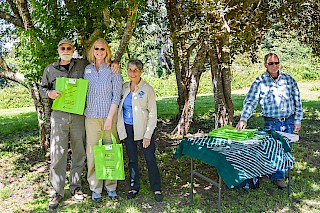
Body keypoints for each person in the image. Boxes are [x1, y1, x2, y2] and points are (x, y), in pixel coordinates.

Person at [40, 38, 119, 209]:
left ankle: (76, 188)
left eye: (69, 47)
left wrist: (115, 63)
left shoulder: (82, 65)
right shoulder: (50, 69)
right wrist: (49, 93)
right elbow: (42, 88)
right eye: (63, 47)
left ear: (73, 50)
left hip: (78, 116)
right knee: (58, 154)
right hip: (59, 115)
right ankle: (57, 191)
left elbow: (102, 60)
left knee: (79, 152)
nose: (66, 50)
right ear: (58, 49)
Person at [236, 53, 303, 189]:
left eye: (276, 63)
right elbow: (250, 101)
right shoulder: (259, 82)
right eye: (271, 63)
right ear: (265, 65)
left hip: (288, 121)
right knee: (270, 149)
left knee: (285, 150)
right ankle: (267, 173)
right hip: (271, 122)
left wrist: (298, 120)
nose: (274, 66)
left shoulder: (289, 80)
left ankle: (278, 177)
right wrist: (244, 118)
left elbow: (298, 101)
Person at [117, 59, 163, 202]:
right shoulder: (124, 87)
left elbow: (152, 114)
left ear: (141, 72)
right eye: (130, 70)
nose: (132, 73)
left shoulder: (147, 89)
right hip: (128, 129)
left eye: (135, 70)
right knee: (132, 160)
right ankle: (134, 187)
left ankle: (156, 188)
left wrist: (148, 134)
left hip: (143, 130)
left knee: (150, 159)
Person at [84, 38, 123, 201]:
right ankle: (96, 188)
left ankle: (111, 186)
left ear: (107, 51)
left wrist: (109, 118)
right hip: (91, 118)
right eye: (96, 49)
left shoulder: (113, 69)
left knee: (110, 151)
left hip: (109, 118)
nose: (99, 52)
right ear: (92, 51)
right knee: (92, 153)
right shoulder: (87, 70)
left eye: (102, 49)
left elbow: (116, 95)